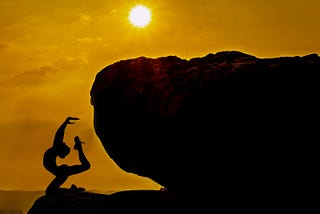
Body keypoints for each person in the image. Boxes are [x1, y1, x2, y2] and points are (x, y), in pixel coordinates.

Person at [43, 116, 91, 195]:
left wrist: (65, 123)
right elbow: (59, 134)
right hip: (61, 170)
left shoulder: (56, 149)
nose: (64, 157)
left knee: (50, 191)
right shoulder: (56, 147)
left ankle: (79, 147)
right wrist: (65, 123)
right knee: (86, 166)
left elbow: (59, 134)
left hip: (61, 171)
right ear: (62, 148)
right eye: (65, 154)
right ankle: (72, 190)